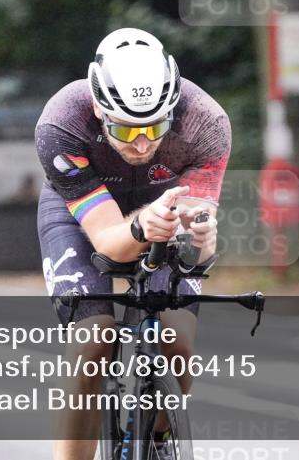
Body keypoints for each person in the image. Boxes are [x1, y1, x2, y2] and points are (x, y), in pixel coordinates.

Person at [35, 27, 231, 460]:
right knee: (93, 340)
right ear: (100, 111)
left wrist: (199, 237)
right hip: (84, 211)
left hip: (163, 204)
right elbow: (108, 244)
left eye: (154, 127)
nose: (142, 143)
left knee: (177, 346)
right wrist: (144, 227)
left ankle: (158, 438)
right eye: (125, 131)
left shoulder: (206, 122)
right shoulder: (62, 123)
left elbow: (196, 235)